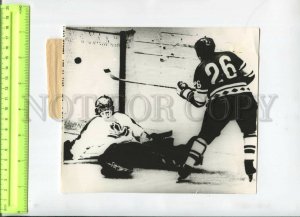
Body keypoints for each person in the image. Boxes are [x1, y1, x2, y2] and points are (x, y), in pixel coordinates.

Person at [176, 36, 257, 182]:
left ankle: (186, 168)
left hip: (220, 103)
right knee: (250, 131)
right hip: (245, 98)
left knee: (204, 137)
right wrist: (234, 84)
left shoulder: (200, 68)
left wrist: (184, 92)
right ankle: (249, 165)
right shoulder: (230, 55)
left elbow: (199, 102)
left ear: (198, 53)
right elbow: (251, 75)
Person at [64, 95, 188, 178]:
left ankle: (187, 153)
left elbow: (140, 133)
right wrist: (71, 152)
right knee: (116, 149)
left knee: (156, 150)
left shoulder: (122, 117)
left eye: (108, 106)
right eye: (102, 107)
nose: (106, 109)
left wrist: (149, 139)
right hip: (116, 150)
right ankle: (110, 165)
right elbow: (80, 142)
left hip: (135, 148)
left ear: (112, 106)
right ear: (97, 110)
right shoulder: (95, 122)